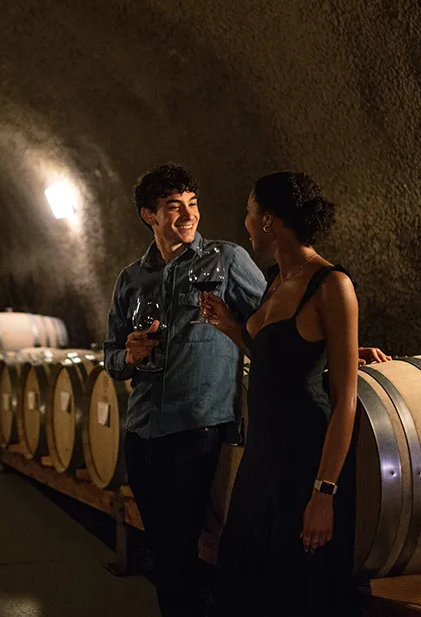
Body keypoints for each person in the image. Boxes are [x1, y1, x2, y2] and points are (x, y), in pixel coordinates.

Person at [103, 164, 267, 617]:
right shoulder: (131, 280)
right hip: (141, 429)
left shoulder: (226, 259)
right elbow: (110, 356)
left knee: (177, 549)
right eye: (173, 208)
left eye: (192, 204)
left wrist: (344, 346)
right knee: (163, 546)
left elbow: (274, 322)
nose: (187, 216)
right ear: (148, 215)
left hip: (198, 425)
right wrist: (128, 356)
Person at [202, 171, 368, 615]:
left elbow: (344, 400)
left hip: (303, 465)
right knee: (243, 585)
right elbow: (272, 354)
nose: (247, 222)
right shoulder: (275, 278)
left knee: (293, 593)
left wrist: (324, 493)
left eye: (251, 213)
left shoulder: (332, 285)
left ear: (271, 220)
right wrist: (231, 327)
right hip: (261, 461)